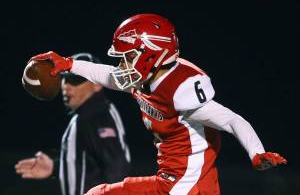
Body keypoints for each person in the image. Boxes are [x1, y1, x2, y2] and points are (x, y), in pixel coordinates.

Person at [27, 14, 287, 195]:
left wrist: (256, 152)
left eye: (128, 57)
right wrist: (69, 64)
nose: (123, 64)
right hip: (180, 182)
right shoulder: (141, 78)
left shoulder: (180, 89)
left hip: (183, 186)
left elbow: (231, 119)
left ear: (151, 53)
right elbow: (107, 75)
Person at [15, 53, 131, 195]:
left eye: (75, 80)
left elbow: (116, 170)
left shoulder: (98, 115)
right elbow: (91, 165)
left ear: (98, 84)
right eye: (64, 79)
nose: (67, 86)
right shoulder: (86, 114)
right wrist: (56, 167)